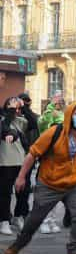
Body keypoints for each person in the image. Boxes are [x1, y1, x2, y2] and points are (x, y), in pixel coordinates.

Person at [4, 102, 76, 254]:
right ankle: (19, 243)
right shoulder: (54, 132)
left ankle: (74, 249)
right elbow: (32, 154)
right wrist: (21, 177)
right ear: (70, 116)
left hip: (74, 183)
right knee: (35, 219)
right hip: (49, 183)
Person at [0, 97, 29, 236]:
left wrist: (25, 107)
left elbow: (33, 123)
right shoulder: (3, 120)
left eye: (18, 108)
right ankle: (4, 220)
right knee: (5, 193)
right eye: (13, 107)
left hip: (21, 162)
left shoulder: (21, 121)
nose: (16, 110)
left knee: (23, 192)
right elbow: (5, 126)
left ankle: (18, 216)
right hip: (5, 162)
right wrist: (10, 109)